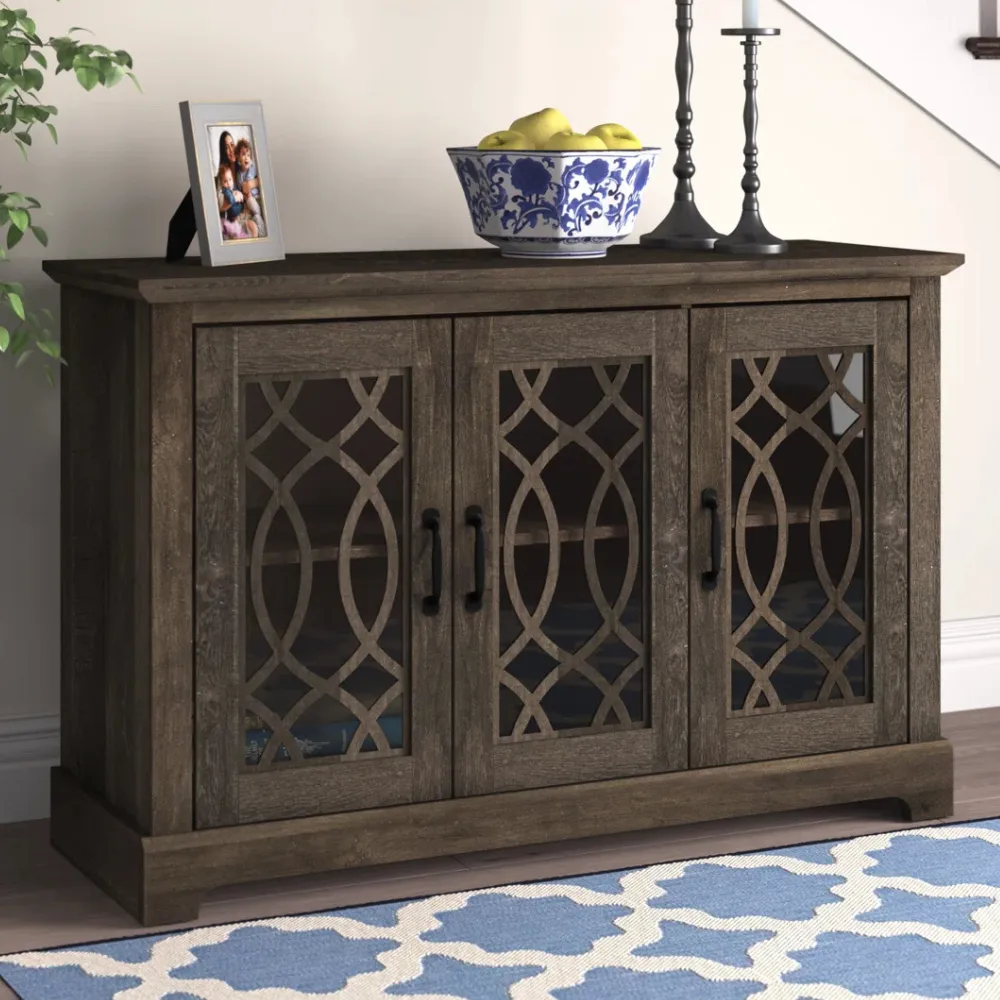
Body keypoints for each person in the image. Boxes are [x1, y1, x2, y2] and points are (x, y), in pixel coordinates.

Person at [234, 137, 266, 238]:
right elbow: (239, 188)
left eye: (248, 155)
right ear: (238, 158)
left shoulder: (253, 168)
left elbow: (262, 179)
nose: (247, 158)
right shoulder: (239, 173)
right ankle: (255, 229)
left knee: (256, 213)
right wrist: (243, 195)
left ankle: (262, 232)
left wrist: (251, 186)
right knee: (251, 216)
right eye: (243, 154)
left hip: (256, 198)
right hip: (247, 201)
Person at [217, 162, 257, 240]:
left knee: (251, 224)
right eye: (225, 181)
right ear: (221, 183)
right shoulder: (226, 191)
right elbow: (232, 200)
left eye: (230, 179)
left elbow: (240, 195)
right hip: (233, 216)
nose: (229, 183)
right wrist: (235, 195)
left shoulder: (232, 186)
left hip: (240, 212)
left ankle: (252, 237)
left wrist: (240, 194)